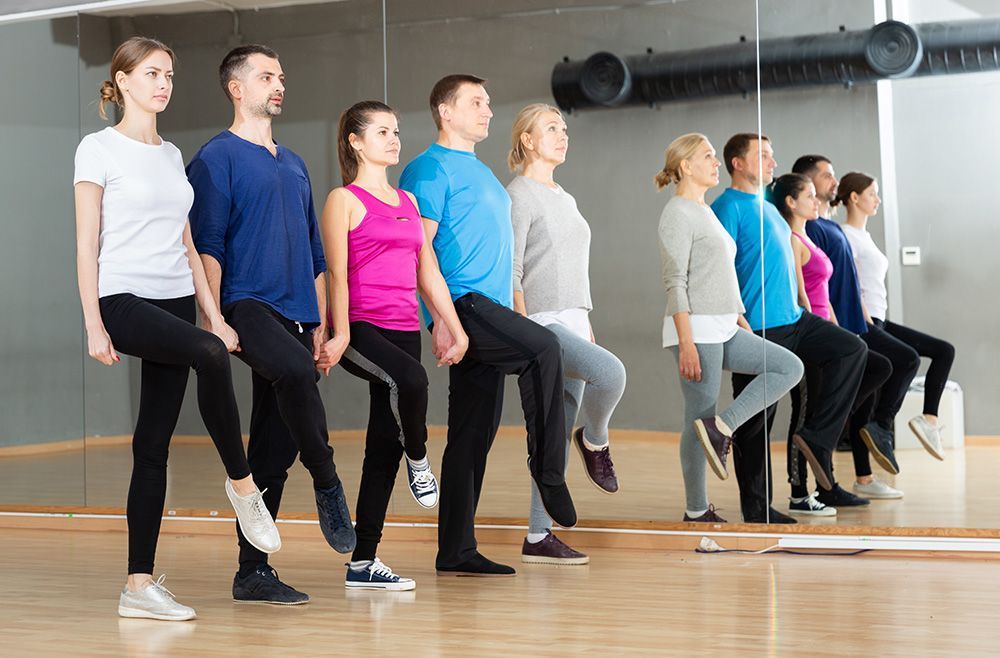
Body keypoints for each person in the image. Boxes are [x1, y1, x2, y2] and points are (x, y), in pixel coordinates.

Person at [74, 37, 280, 621]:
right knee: (210, 357)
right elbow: (86, 242)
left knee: (152, 445)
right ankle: (243, 486)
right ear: (123, 81)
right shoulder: (98, 149)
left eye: (169, 73)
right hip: (123, 298)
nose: (164, 83)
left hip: (175, 299)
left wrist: (213, 315)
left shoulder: (169, 154)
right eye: (152, 73)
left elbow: (188, 244)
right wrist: (93, 323)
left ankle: (137, 587)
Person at [187, 44, 355, 606]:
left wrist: (321, 324)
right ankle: (328, 481)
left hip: (295, 312)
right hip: (243, 305)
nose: (278, 85)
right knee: (292, 375)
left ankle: (252, 572)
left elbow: (314, 255)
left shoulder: (296, 163)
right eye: (265, 77)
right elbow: (204, 247)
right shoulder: (215, 158)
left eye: (281, 76)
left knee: (274, 442)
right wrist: (212, 320)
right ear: (237, 88)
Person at [400, 74, 576, 577]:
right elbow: (420, 252)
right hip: (466, 305)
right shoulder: (428, 169)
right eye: (476, 102)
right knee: (544, 351)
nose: (488, 111)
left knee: (472, 435)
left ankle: (456, 550)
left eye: (489, 102)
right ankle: (548, 473)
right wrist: (441, 319)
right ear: (445, 112)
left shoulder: (478, 171)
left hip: (489, 307)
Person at [322, 100, 469, 590]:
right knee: (411, 380)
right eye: (382, 131)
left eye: (396, 131)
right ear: (355, 142)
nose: (393, 139)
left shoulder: (407, 202)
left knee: (381, 445)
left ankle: (364, 562)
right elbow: (337, 275)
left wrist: (454, 325)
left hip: (406, 328)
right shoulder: (343, 200)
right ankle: (421, 458)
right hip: (363, 328)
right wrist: (340, 333)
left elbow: (428, 272)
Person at [710, 133, 866, 524]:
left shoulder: (769, 208)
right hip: (758, 327)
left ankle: (816, 436)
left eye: (772, 154)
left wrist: (805, 302)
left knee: (854, 351)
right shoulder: (727, 207)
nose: (772, 162)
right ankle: (757, 508)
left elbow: (789, 262)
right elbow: (720, 267)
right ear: (737, 163)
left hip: (795, 319)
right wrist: (735, 315)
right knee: (756, 425)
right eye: (762, 155)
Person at [656, 134, 803, 524]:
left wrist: (740, 317)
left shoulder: (705, 211)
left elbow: (724, 275)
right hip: (697, 328)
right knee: (697, 413)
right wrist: (685, 341)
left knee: (788, 367)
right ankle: (696, 508)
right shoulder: (677, 213)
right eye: (707, 156)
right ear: (686, 166)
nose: (715, 162)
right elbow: (675, 281)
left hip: (724, 323)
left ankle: (723, 426)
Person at [507, 104, 626, 562]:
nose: (562, 135)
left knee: (552, 433)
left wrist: (586, 321)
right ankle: (594, 440)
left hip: (574, 319)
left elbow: (575, 268)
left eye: (564, 128)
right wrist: (522, 330)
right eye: (551, 129)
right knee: (611, 374)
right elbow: (513, 268)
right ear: (528, 140)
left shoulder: (564, 195)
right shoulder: (518, 195)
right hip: (541, 323)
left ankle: (538, 536)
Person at [792, 155, 915, 500]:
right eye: (827, 176)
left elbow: (839, 281)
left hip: (848, 323)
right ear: (807, 183)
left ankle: (840, 469)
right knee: (815, 408)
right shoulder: (810, 228)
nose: (835, 181)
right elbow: (807, 287)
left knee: (881, 370)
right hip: (825, 330)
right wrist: (826, 320)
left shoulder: (827, 225)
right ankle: (807, 490)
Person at [769, 173, 892, 514]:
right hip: (812, 334)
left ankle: (828, 435)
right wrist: (817, 331)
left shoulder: (812, 237)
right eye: (808, 195)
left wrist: (839, 329)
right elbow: (802, 295)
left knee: (877, 366)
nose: (816, 201)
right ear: (791, 202)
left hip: (829, 330)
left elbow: (825, 293)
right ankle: (803, 491)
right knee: (805, 414)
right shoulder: (792, 238)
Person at [836, 172, 955, 460]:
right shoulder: (845, 236)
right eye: (872, 193)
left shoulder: (864, 235)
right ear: (854, 197)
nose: (877, 199)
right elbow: (848, 282)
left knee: (943, 351)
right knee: (905, 362)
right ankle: (880, 427)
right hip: (864, 321)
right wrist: (861, 315)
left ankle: (927, 420)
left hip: (880, 318)